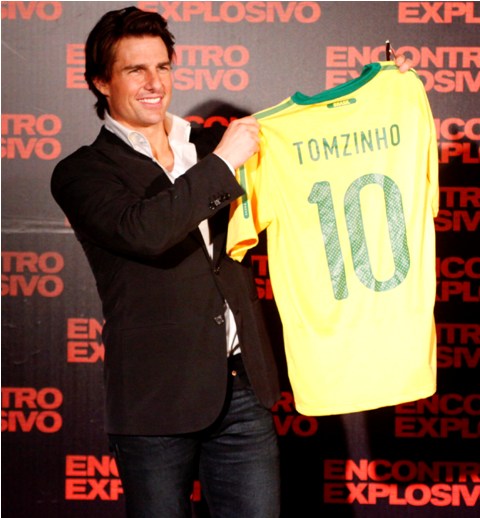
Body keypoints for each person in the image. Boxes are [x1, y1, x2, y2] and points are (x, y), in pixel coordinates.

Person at [51, 6, 413, 517]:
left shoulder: (207, 145)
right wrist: (223, 162)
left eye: (162, 66)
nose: (154, 83)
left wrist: (380, 96)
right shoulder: (82, 172)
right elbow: (145, 230)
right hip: (153, 402)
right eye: (135, 70)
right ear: (101, 82)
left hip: (243, 392)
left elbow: (316, 151)